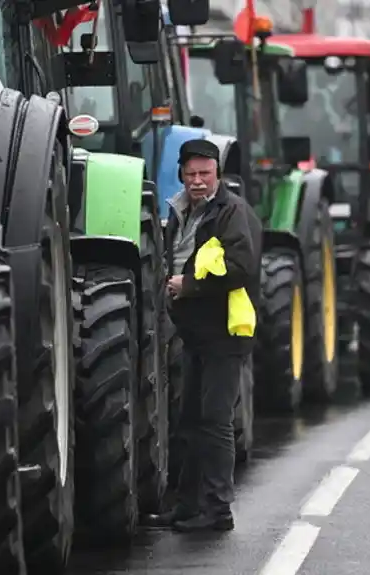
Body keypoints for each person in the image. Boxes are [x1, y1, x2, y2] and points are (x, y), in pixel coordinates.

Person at [149, 139, 260, 532]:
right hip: (195, 330)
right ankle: (187, 503)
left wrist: (190, 285)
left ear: (217, 173)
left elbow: (242, 266)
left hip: (223, 331)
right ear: (181, 173)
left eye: (205, 174)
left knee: (215, 422)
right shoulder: (181, 209)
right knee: (190, 420)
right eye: (191, 174)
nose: (198, 181)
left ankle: (218, 511)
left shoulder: (231, 211)